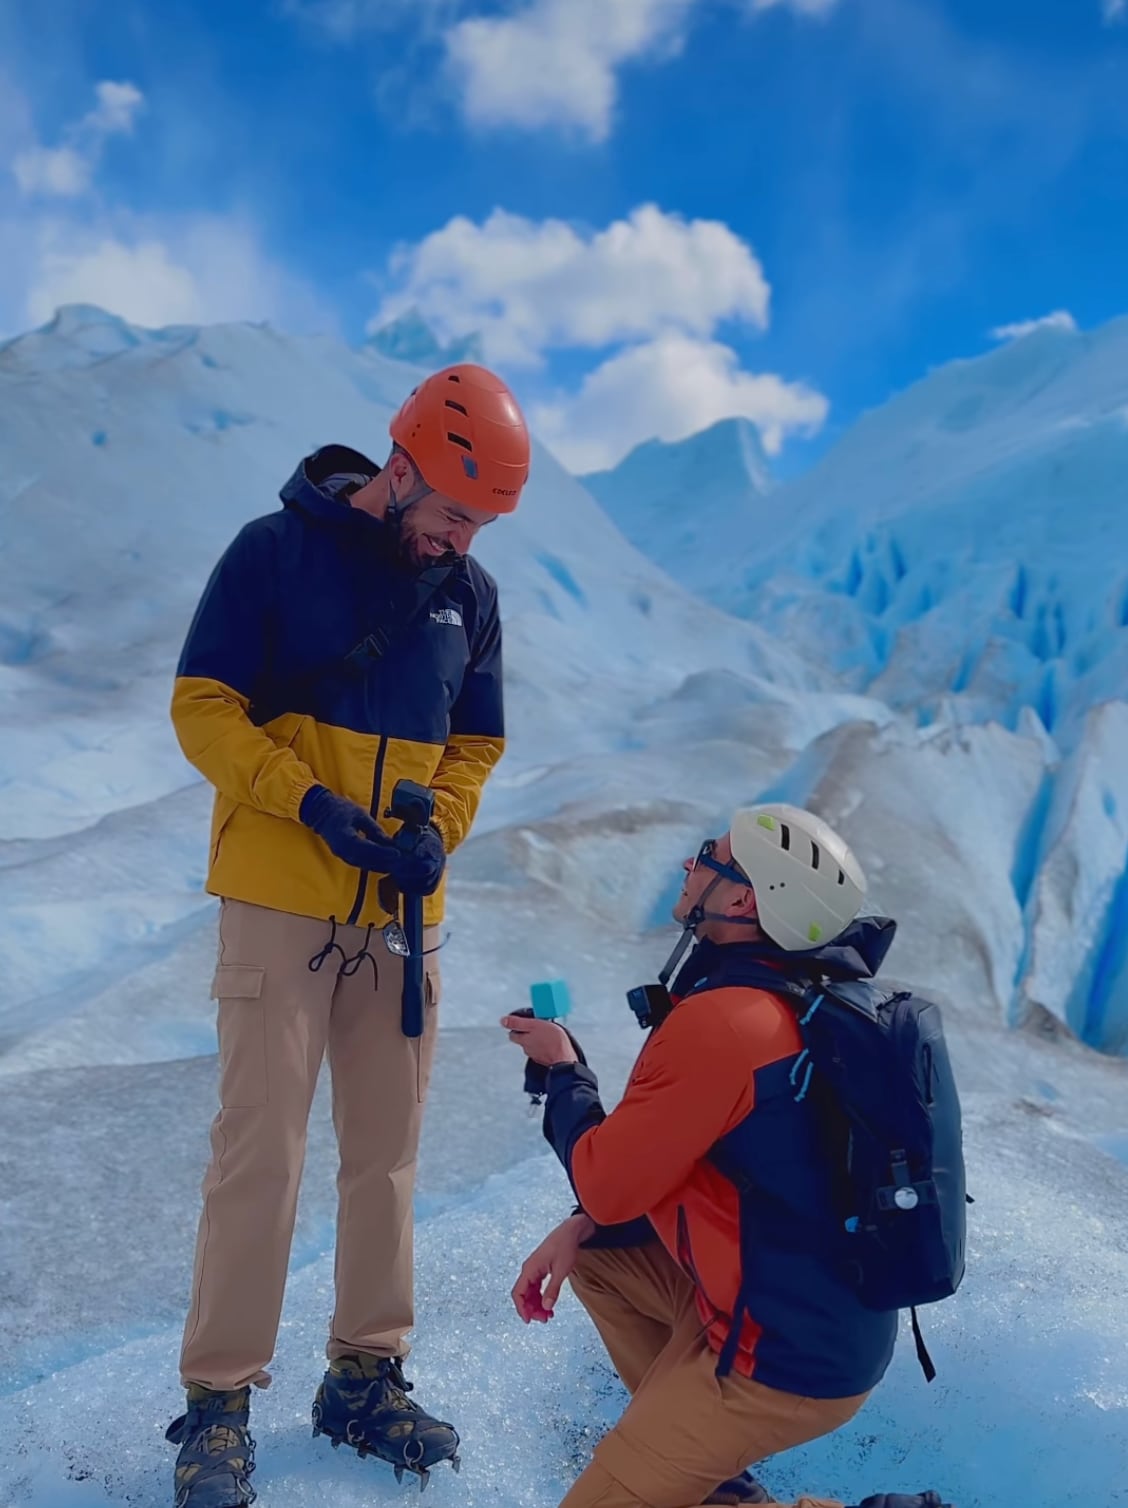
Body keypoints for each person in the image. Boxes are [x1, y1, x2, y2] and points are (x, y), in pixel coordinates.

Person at [165, 363, 530, 1507]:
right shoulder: (272, 552)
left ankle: (363, 1375)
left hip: (401, 917)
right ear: (404, 464)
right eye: (453, 512)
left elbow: (475, 746)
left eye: (480, 523)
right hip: (279, 895)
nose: (460, 539)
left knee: (387, 1155)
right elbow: (201, 704)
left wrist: (441, 836)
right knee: (259, 1155)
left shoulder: (468, 593)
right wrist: (304, 798)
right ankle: (220, 1401)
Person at [502, 803, 954, 1508]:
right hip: (820, 1320)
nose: (691, 864)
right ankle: (708, 1481)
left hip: (778, 1356)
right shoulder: (807, 995)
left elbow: (606, 1183)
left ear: (746, 898)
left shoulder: (724, 1021)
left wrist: (565, 1071)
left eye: (709, 855)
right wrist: (584, 1225)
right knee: (601, 1258)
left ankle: (698, 1461)